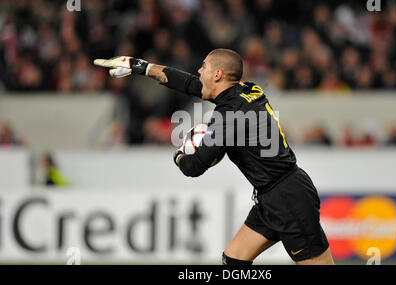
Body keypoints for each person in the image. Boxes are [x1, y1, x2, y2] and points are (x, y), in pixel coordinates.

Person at [94, 49, 334, 265]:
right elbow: (189, 83)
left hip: (288, 200)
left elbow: (194, 166)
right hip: (274, 194)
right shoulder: (247, 90)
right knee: (234, 260)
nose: (199, 70)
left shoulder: (229, 117)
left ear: (218, 74)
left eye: (204, 66)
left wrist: (180, 153)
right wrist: (142, 66)